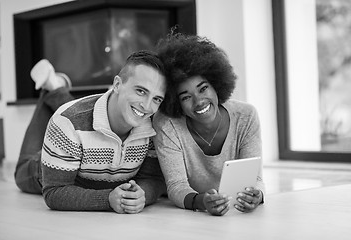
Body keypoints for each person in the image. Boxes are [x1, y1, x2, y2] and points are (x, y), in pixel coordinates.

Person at [14, 51, 167, 213]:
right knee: (21, 174)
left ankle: (55, 87)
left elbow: (153, 179)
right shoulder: (67, 122)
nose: (148, 106)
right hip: (48, 166)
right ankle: (51, 88)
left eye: (157, 99)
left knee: (81, 119)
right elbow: (54, 191)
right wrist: (107, 199)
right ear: (117, 85)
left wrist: (143, 194)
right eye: (141, 91)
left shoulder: (153, 127)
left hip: (80, 139)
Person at [153, 33, 265, 216]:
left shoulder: (246, 116)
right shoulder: (167, 125)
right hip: (187, 217)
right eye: (186, 97)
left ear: (216, 84)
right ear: (176, 103)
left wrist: (256, 195)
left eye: (203, 88)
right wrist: (201, 202)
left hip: (235, 214)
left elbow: (257, 179)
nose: (199, 101)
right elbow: (176, 186)